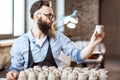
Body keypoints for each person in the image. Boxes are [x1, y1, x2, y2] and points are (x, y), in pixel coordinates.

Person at [6, 0, 105, 80]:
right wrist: (12, 74)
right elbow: (15, 69)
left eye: (53, 16)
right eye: (49, 15)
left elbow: (78, 55)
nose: (52, 19)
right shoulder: (20, 42)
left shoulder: (58, 37)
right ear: (37, 17)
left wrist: (93, 43)